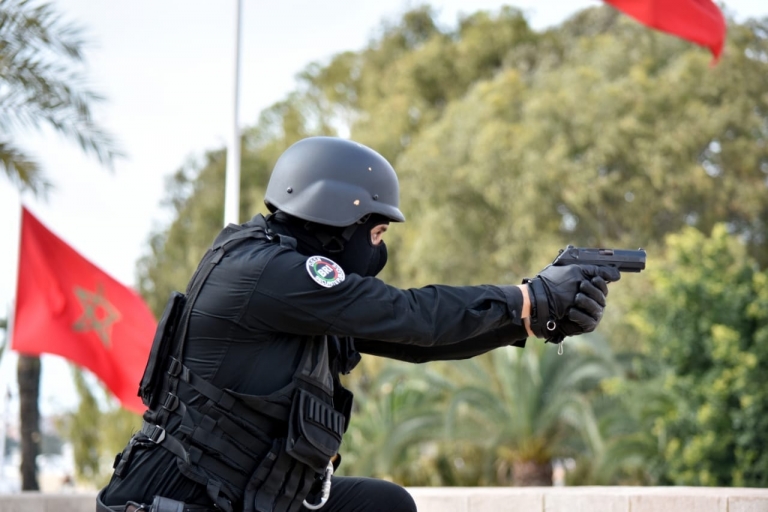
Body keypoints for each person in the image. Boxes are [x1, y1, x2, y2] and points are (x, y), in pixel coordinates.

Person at [97, 136, 620, 512]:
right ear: (337, 220)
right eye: (376, 233)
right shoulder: (266, 272)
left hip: (240, 495)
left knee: (383, 506)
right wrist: (529, 297)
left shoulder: (294, 287)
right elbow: (410, 314)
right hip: (174, 498)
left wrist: (531, 320)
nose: (379, 249)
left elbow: (417, 342)